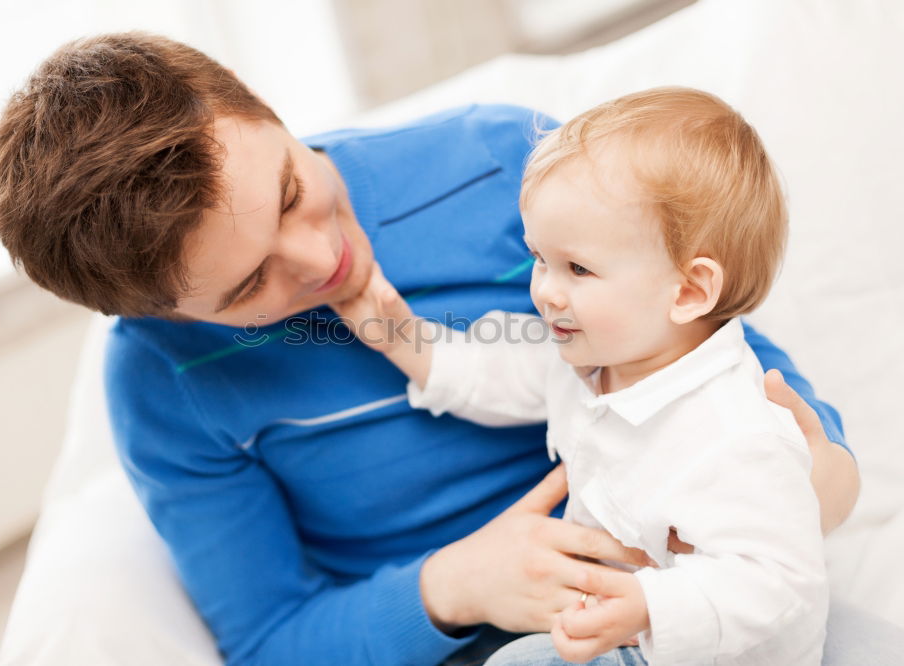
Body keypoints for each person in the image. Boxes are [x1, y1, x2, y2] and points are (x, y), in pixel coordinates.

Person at [0, 33, 878, 666]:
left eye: (294, 190)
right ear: (165, 314)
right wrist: (454, 588)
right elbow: (270, 639)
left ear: (266, 112)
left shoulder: (491, 163)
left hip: (691, 587)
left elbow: (700, 334)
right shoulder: (161, 386)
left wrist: (818, 462)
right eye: (250, 284)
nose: (322, 257)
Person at [331, 87, 827, 665]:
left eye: (578, 268)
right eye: (540, 258)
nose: (543, 290)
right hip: (624, 633)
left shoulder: (736, 432)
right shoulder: (594, 356)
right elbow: (497, 373)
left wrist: (650, 604)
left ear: (689, 291)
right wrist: (404, 340)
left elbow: (781, 582)